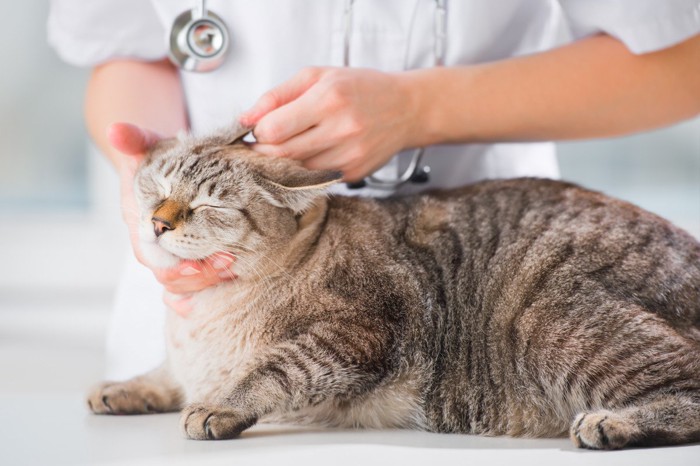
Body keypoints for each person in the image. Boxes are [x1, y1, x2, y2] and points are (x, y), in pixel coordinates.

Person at [48, 0, 700, 380]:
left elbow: (682, 61)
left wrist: (423, 109)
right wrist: (155, 182)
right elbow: (128, 50)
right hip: (205, 310)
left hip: (492, 324)